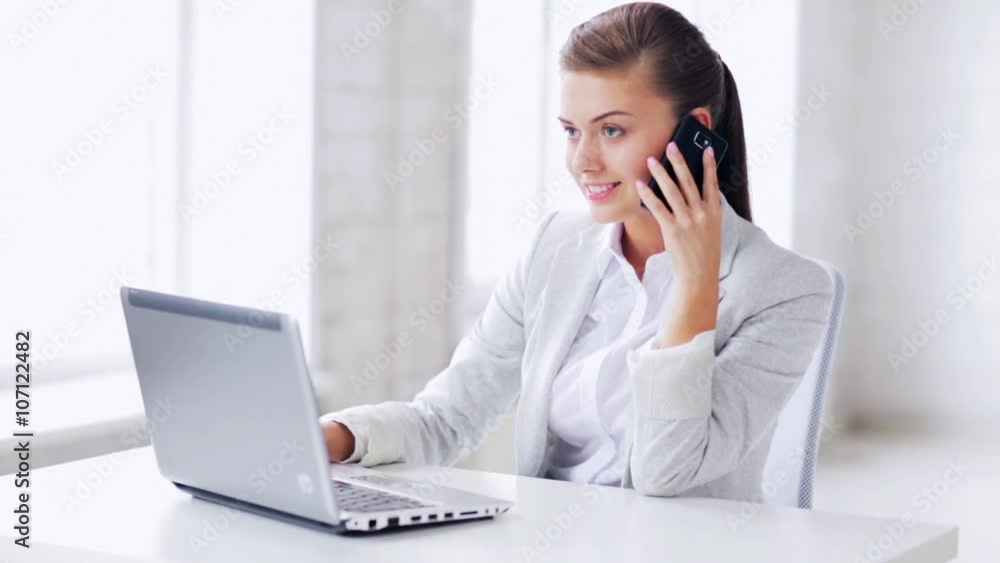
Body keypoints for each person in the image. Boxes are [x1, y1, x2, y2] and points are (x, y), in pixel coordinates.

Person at [319, 2, 833, 500]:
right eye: (571, 132)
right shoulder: (554, 248)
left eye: (611, 130)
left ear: (694, 130)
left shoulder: (786, 291)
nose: (582, 161)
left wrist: (695, 288)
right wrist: (327, 437)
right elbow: (447, 418)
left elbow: (666, 471)